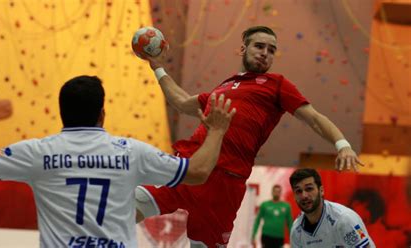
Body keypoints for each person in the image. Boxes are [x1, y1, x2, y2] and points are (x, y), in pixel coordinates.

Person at [0, 75, 236, 247]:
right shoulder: (131, 152)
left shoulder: (39, 152)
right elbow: (197, 172)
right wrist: (218, 130)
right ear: (102, 114)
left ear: (62, 113)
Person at [134, 26, 364, 247]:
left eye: (271, 50)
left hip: (226, 184)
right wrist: (158, 67)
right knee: (131, 203)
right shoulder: (226, 85)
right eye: (260, 46)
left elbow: (313, 117)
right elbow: (183, 103)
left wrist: (342, 144)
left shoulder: (277, 85)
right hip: (190, 165)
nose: (265, 53)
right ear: (243, 49)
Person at [289, 168, 375, 247]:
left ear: (321, 190)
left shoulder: (344, 219)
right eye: (298, 191)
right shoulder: (296, 231)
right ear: (294, 196)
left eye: (309, 189)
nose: (304, 196)